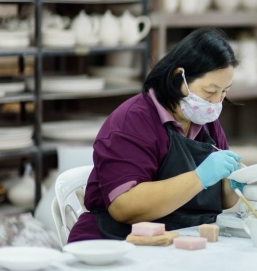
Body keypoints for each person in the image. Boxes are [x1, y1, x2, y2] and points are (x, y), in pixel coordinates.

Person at [68, 28, 245, 242]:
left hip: (181, 238)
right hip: (115, 241)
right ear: (179, 77)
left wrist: (237, 181)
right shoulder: (133, 121)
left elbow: (224, 201)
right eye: (209, 92)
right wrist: (200, 177)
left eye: (224, 92)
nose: (216, 102)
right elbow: (124, 207)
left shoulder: (206, 122)